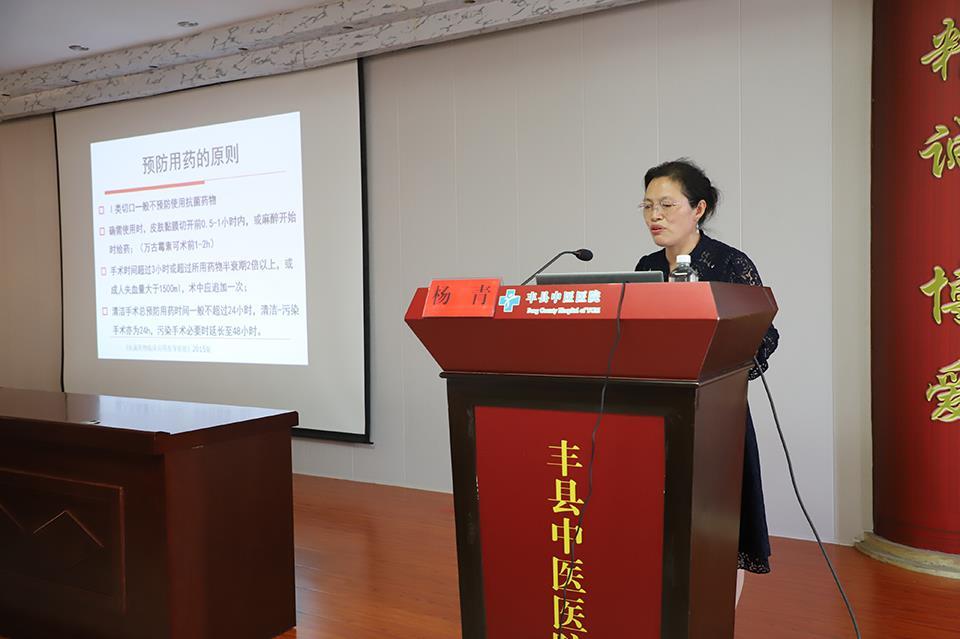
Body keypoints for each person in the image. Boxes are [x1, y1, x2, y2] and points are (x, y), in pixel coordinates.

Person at [635, 158, 779, 605]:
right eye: (647, 206)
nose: (655, 216)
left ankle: (719, 621)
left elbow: (764, 335)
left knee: (723, 529)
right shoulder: (645, 266)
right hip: (659, 417)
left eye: (666, 205)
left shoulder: (731, 263)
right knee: (664, 523)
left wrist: (721, 369)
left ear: (698, 209)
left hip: (719, 417)